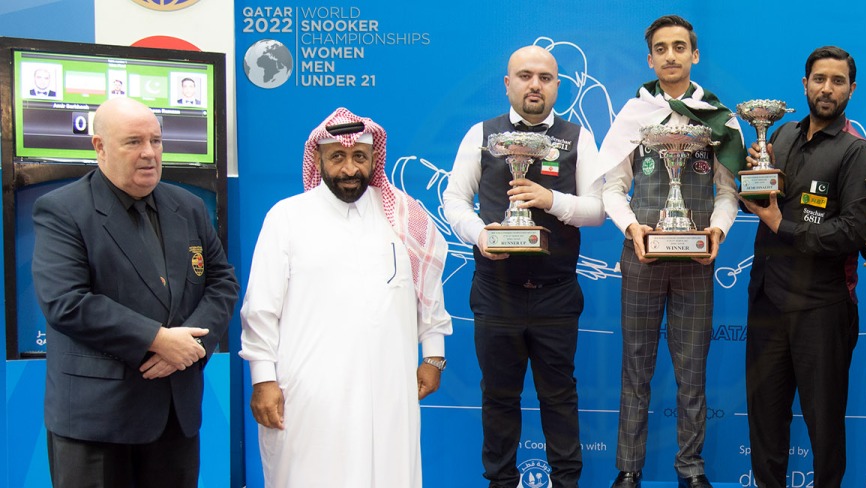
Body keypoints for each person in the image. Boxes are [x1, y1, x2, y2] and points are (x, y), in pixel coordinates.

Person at [239, 107, 452, 487]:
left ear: (374, 158)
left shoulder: (403, 217)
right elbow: (260, 309)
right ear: (318, 158)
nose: (350, 168)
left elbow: (428, 290)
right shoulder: (287, 218)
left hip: (389, 388)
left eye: (359, 156)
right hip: (311, 393)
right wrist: (263, 379)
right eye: (337, 156)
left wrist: (433, 353)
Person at [31, 97, 238, 487]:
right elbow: (66, 302)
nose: (149, 153)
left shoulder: (188, 207)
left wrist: (186, 350)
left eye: (156, 141)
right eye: (133, 142)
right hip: (97, 424)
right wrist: (158, 340)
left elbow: (222, 283)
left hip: (174, 417)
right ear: (99, 147)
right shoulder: (62, 210)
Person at [443, 45, 604, 488]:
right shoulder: (482, 133)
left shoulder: (578, 138)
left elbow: (597, 210)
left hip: (556, 291)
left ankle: (566, 483)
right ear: (508, 84)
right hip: (496, 291)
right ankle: (500, 483)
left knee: (559, 398)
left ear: (557, 86)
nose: (535, 85)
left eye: (546, 78)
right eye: (525, 76)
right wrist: (481, 235)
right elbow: (454, 199)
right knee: (498, 397)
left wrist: (550, 200)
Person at [597, 14, 744, 488]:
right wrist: (632, 228)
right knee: (635, 365)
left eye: (680, 47)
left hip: (697, 261)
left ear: (694, 54)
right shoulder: (634, 115)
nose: (671, 56)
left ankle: (691, 468)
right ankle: (628, 469)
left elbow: (728, 192)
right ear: (651, 58)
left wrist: (717, 234)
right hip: (641, 256)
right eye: (661, 49)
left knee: (691, 368)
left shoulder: (719, 117)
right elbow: (613, 188)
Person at [739, 45, 866, 488]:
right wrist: (753, 189)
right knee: (765, 418)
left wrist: (782, 224)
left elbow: (852, 233)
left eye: (838, 81)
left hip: (822, 306)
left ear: (851, 90)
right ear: (804, 84)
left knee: (824, 424)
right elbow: (760, 205)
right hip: (767, 300)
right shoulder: (778, 137)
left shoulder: (858, 153)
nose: (827, 88)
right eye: (819, 78)